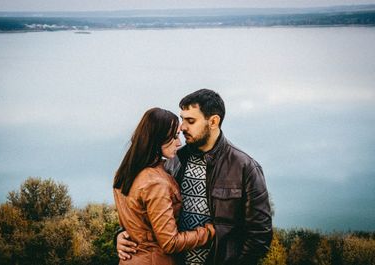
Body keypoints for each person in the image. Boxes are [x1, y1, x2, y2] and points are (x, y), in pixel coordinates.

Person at [117, 89, 273, 265]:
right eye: (182, 119)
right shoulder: (173, 161)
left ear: (213, 121)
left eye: (190, 121)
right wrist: (122, 234)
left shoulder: (245, 167)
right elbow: (149, 212)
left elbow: (260, 235)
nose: (182, 127)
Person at [113, 107, 216, 265]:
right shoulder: (155, 182)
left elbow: (136, 221)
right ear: (158, 139)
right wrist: (209, 232)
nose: (179, 142)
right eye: (174, 137)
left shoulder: (125, 173)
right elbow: (170, 243)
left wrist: (120, 235)